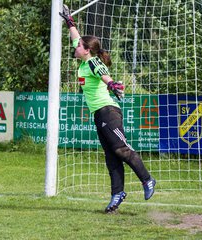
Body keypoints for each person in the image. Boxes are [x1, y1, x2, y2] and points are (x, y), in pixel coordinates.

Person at [59, 5, 156, 213]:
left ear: (87, 50)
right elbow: (76, 37)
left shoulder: (93, 63)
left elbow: (105, 74)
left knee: (121, 149)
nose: (74, 47)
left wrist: (112, 85)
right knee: (111, 157)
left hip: (108, 112)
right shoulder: (84, 61)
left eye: (78, 47)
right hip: (99, 114)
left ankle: (147, 180)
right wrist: (69, 21)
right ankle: (117, 194)